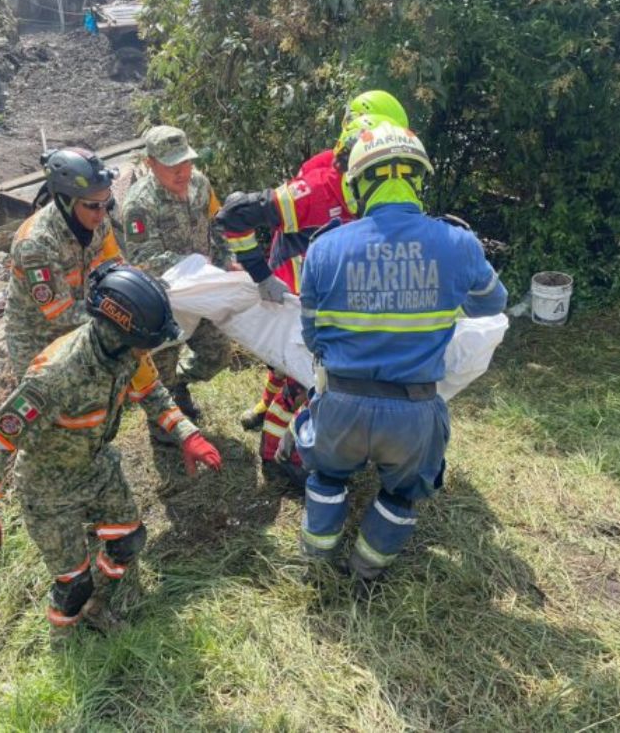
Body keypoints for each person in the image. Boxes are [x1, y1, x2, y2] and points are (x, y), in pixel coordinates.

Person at [0, 262, 223, 637]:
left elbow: (150, 391)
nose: (148, 352)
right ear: (120, 332)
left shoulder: (125, 352)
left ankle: (95, 605)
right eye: (145, 344)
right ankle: (64, 639)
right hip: (48, 487)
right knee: (72, 583)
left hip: (97, 467)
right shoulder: (56, 376)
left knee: (128, 542)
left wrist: (186, 433)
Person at [295, 120, 508, 583]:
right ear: (416, 178)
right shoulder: (458, 242)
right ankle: (366, 572)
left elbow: (312, 337)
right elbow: (492, 303)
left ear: (359, 185)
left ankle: (316, 567)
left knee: (328, 478)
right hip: (413, 413)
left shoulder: (324, 248)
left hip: (342, 407)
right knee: (402, 495)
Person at [215, 90, 410, 485]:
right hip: (293, 291)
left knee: (283, 362)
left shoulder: (372, 186)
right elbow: (234, 214)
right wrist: (260, 275)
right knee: (302, 377)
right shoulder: (320, 188)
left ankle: (262, 407)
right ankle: (274, 457)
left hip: (322, 291)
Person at [118, 125, 234, 427]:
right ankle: (165, 425)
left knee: (218, 354)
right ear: (151, 164)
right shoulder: (139, 204)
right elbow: (144, 258)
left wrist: (227, 262)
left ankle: (181, 383)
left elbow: (218, 224)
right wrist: (192, 263)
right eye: (171, 165)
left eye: (185, 161)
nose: (181, 171)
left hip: (203, 291)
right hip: (162, 302)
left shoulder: (200, 184)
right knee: (161, 373)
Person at [5, 147, 123, 378]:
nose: (101, 214)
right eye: (92, 205)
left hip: (82, 325)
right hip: (39, 344)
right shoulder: (36, 244)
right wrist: (119, 312)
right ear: (66, 200)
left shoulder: (96, 222)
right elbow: (61, 314)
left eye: (105, 203)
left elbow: (112, 264)